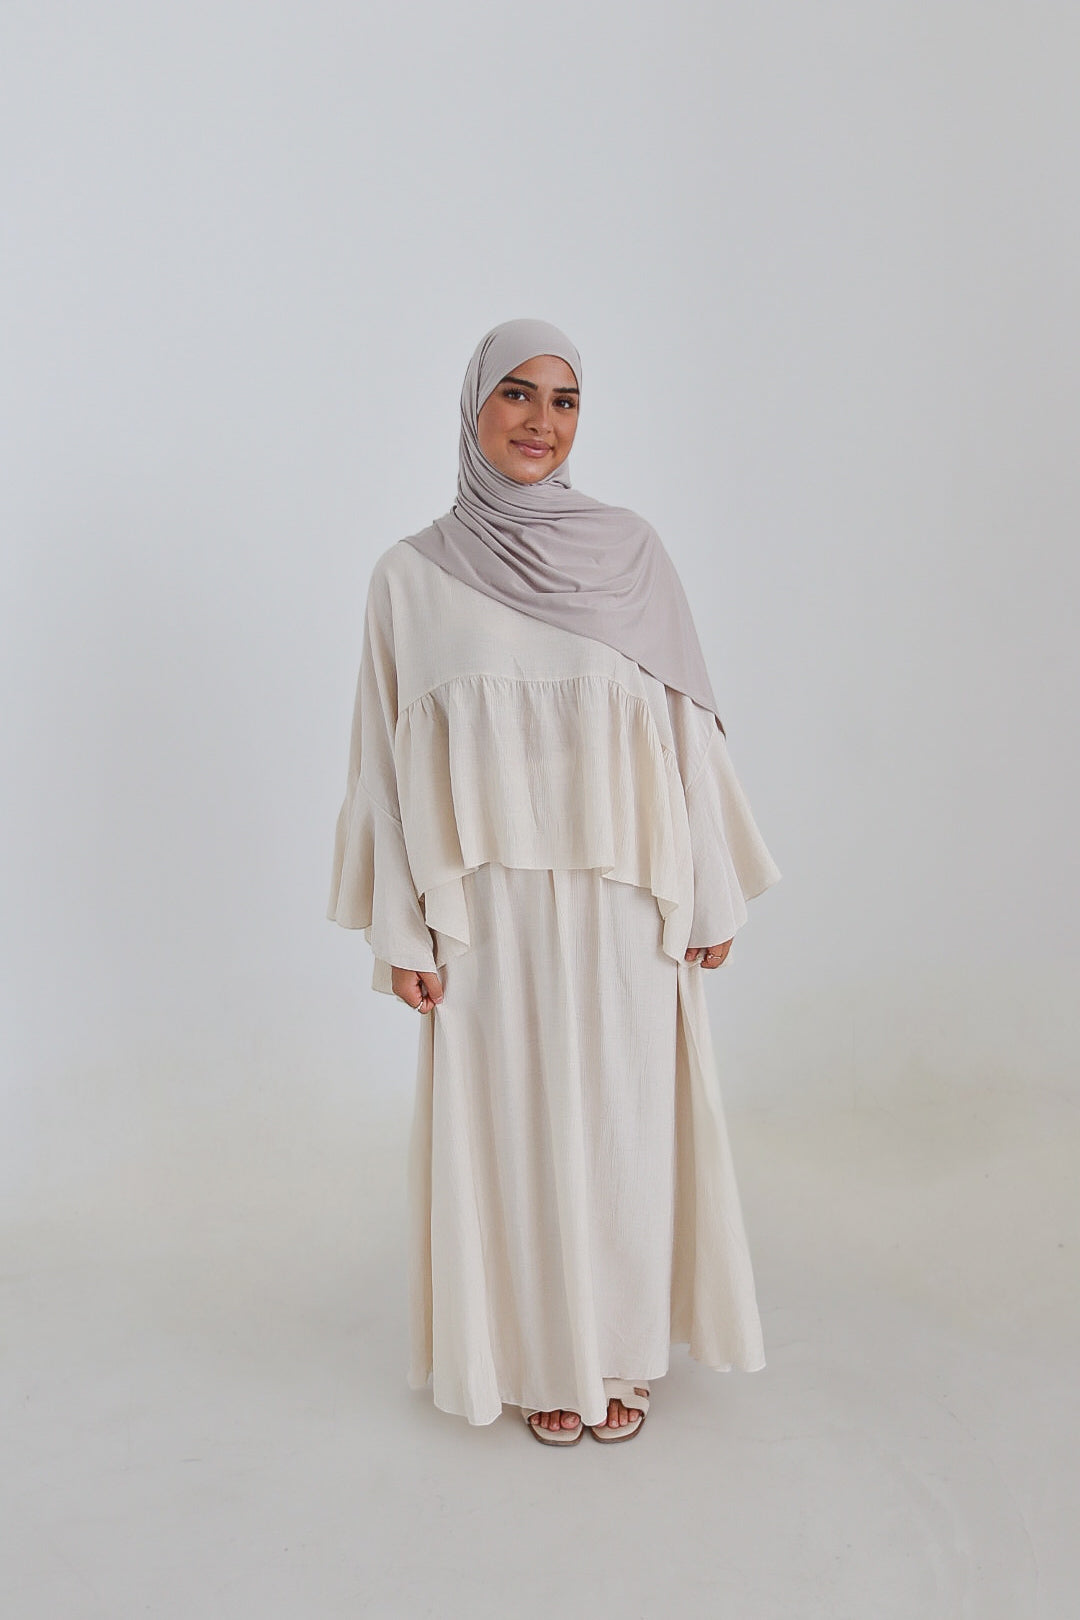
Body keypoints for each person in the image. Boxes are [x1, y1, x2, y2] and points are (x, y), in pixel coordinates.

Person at [327, 318, 780, 1446]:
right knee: (513, 1138)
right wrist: (404, 931)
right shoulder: (410, 578)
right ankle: (542, 1359)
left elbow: (685, 732)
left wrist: (711, 887)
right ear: (474, 409)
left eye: (565, 400)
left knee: (622, 1130)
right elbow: (380, 762)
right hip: (487, 920)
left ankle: (617, 1350)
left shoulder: (631, 555)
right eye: (517, 394)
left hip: (626, 903)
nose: (541, 422)